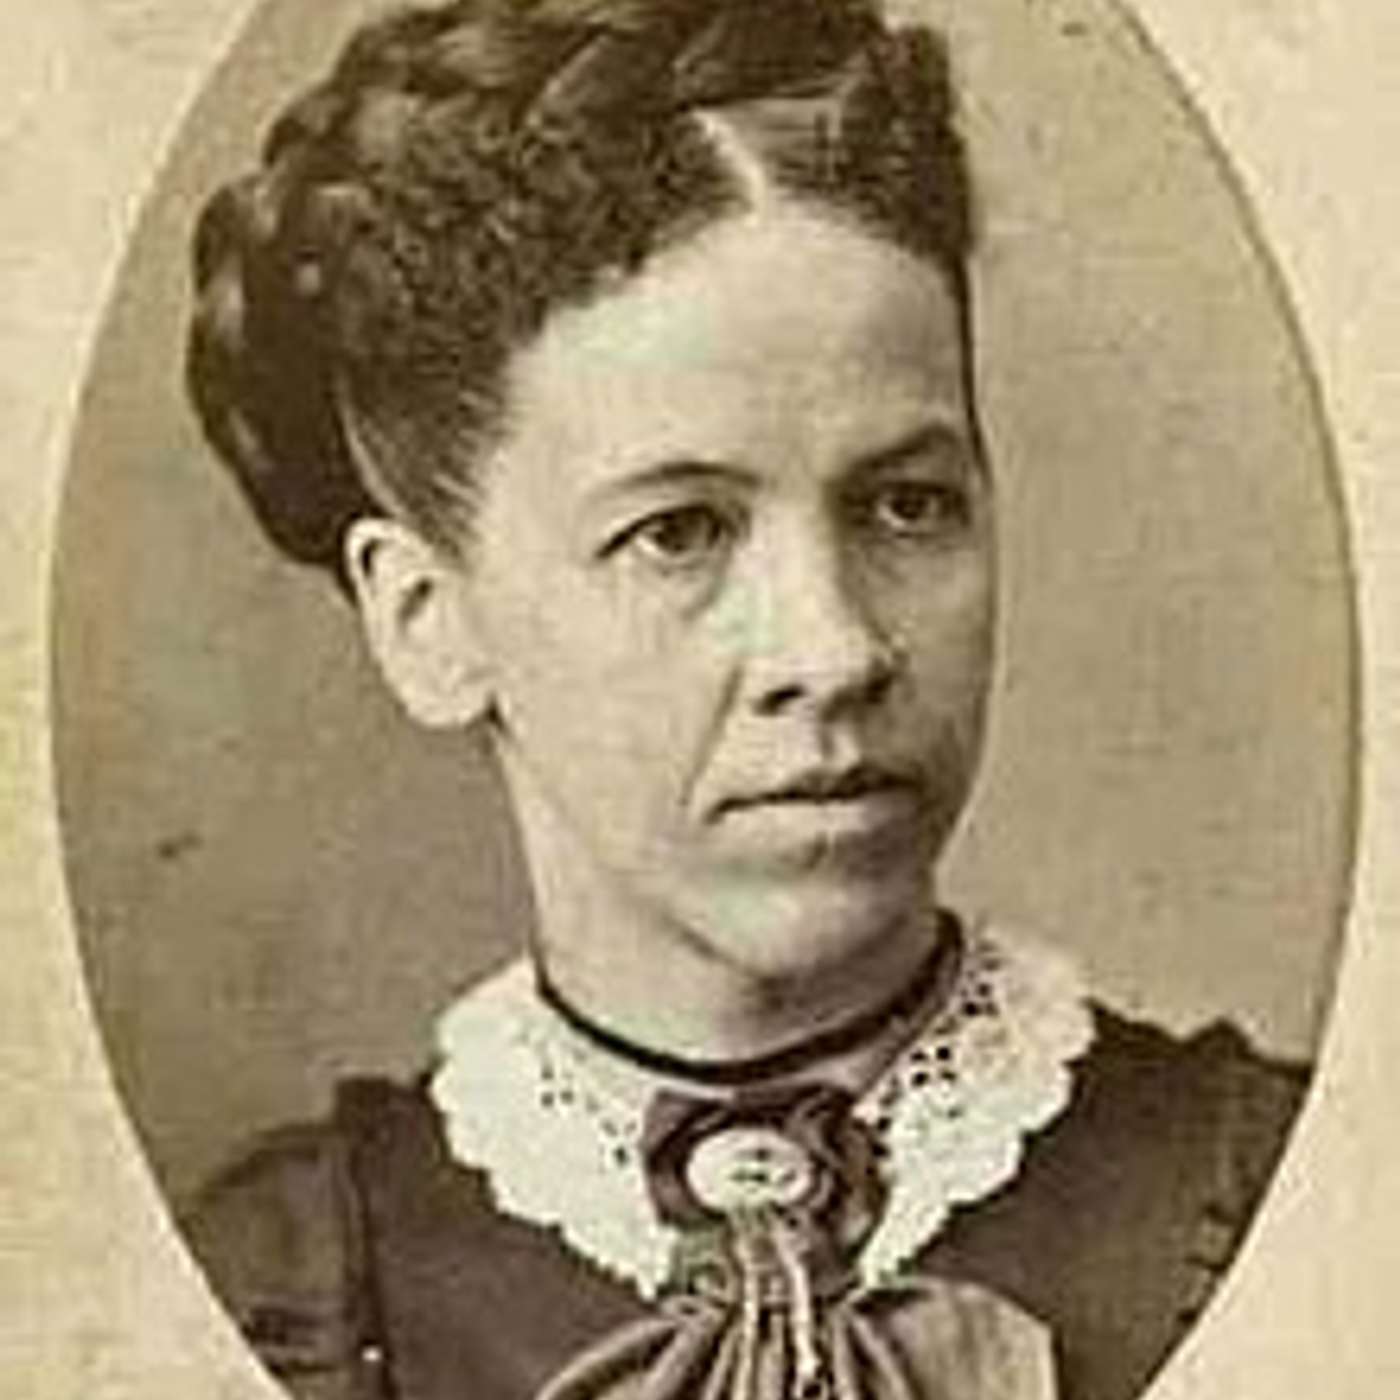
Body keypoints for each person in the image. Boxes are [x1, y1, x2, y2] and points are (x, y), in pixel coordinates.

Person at [180, 2, 1307, 1398]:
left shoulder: (1283, 1191)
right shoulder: (280, 1294)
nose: (835, 651)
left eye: (908, 504)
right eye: (679, 533)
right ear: (426, 620)